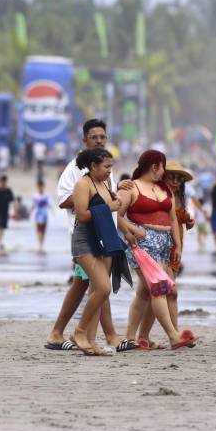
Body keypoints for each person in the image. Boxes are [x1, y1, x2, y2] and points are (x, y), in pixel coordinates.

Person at [45, 119, 130, 351]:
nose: (100, 140)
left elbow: (109, 202)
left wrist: (125, 226)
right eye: (95, 137)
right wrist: (93, 198)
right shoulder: (76, 170)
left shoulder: (103, 169)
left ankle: (83, 337)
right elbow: (65, 200)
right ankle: (100, 335)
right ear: (84, 140)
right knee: (96, 285)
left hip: (105, 235)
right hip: (86, 236)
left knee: (88, 284)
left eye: (103, 136)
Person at [117, 150, 198, 350]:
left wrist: (177, 245)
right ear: (155, 166)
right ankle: (173, 336)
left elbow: (172, 219)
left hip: (164, 244)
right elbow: (114, 215)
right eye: (163, 167)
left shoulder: (164, 189)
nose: (165, 172)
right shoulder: (131, 187)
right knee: (159, 289)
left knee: (146, 293)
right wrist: (132, 230)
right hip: (142, 244)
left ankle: (131, 338)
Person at [69, 148, 124, 356]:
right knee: (103, 288)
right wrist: (109, 207)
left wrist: (116, 199)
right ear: (93, 166)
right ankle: (79, 331)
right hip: (83, 241)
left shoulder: (104, 183)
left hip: (102, 240)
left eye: (111, 167)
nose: (110, 171)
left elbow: (110, 203)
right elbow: (82, 214)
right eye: (106, 167)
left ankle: (91, 342)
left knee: (96, 292)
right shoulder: (83, 184)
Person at [135, 161, 194, 348]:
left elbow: (177, 220)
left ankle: (143, 337)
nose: (176, 181)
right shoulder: (157, 194)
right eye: (172, 176)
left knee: (150, 294)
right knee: (166, 293)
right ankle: (173, 335)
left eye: (179, 178)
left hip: (174, 250)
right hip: (159, 250)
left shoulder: (179, 197)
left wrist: (188, 221)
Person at [30, 180, 51, 254]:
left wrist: (52, 212)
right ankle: (40, 245)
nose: (40, 188)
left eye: (41, 186)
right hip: (38, 214)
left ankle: (41, 245)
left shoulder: (46, 196)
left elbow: (50, 204)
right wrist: (30, 212)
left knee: (43, 230)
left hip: (45, 214)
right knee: (39, 229)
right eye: (39, 187)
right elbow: (33, 205)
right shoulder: (35, 196)